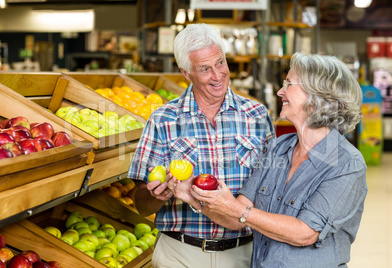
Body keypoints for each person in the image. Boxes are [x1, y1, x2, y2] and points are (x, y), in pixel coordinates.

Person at [169, 52, 368, 267]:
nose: (280, 91)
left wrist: (238, 211)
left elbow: (305, 233)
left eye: (289, 84)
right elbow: (237, 216)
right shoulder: (278, 149)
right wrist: (190, 196)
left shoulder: (347, 163)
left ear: (316, 97)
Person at [127, 23, 275, 268]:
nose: (217, 75)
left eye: (220, 63)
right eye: (205, 69)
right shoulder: (163, 119)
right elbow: (141, 205)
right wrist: (157, 195)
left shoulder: (257, 115)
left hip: (244, 253)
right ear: (186, 73)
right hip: (180, 253)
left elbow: (272, 188)